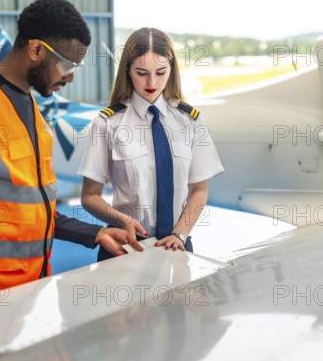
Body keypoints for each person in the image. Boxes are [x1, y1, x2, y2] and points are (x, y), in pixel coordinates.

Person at [0, 0, 140, 306]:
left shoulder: (35, 116)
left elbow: (35, 210)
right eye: (67, 65)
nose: (70, 77)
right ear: (36, 50)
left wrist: (97, 234)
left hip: (27, 288)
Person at [78, 27, 224, 260]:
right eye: (141, 72)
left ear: (172, 69)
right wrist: (122, 220)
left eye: (160, 72)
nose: (151, 82)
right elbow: (89, 197)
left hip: (177, 246)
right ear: (127, 70)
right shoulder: (108, 123)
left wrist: (180, 235)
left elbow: (199, 189)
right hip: (127, 248)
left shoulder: (190, 120)